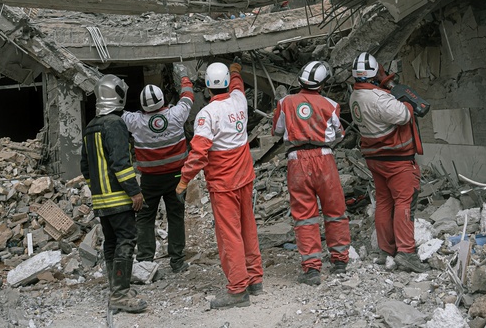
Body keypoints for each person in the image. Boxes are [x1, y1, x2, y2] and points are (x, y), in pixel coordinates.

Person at [177, 58, 263, 309]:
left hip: (223, 183)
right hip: (244, 178)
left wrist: (183, 182)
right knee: (248, 228)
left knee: (229, 235)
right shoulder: (239, 101)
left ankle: (237, 289)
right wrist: (236, 69)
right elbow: (238, 85)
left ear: (206, 85)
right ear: (226, 82)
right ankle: (255, 279)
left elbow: (198, 155)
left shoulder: (207, 114)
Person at [347, 52, 427, 273]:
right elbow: (403, 115)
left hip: (376, 159)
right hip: (397, 160)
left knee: (383, 202)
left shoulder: (355, 96)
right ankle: (406, 253)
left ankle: (386, 249)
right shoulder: (378, 98)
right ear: (374, 73)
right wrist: (402, 98)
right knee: (404, 202)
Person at [272, 61, 351, 285]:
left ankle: (312, 269)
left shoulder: (285, 102)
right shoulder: (331, 104)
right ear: (323, 84)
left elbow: (277, 130)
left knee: (304, 216)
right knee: (335, 209)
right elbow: (338, 134)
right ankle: (339, 262)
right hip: (324, 158)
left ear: (300, 79)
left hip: (296, 160)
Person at [80, 74, 147, 314]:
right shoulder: (115, 124)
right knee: (127, 241)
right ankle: (120, 294)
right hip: (119, 198)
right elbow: (121, 162)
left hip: (101, 200)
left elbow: (85, 168)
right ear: (117, 95)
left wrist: (97, 188)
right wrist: (134, 191)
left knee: (111, 243)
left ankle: (116, 288)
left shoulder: (90, 127)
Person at [122, 68, 194, 274]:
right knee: (176, 216)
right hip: (177, 178)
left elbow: (117, 112)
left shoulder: (135, 122)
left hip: (150, 180)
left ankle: (145, 261)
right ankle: (177, 262)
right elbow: (188, 96)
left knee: (145, 218)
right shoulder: (177, 114)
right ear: (163, 100)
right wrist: (185, 78)